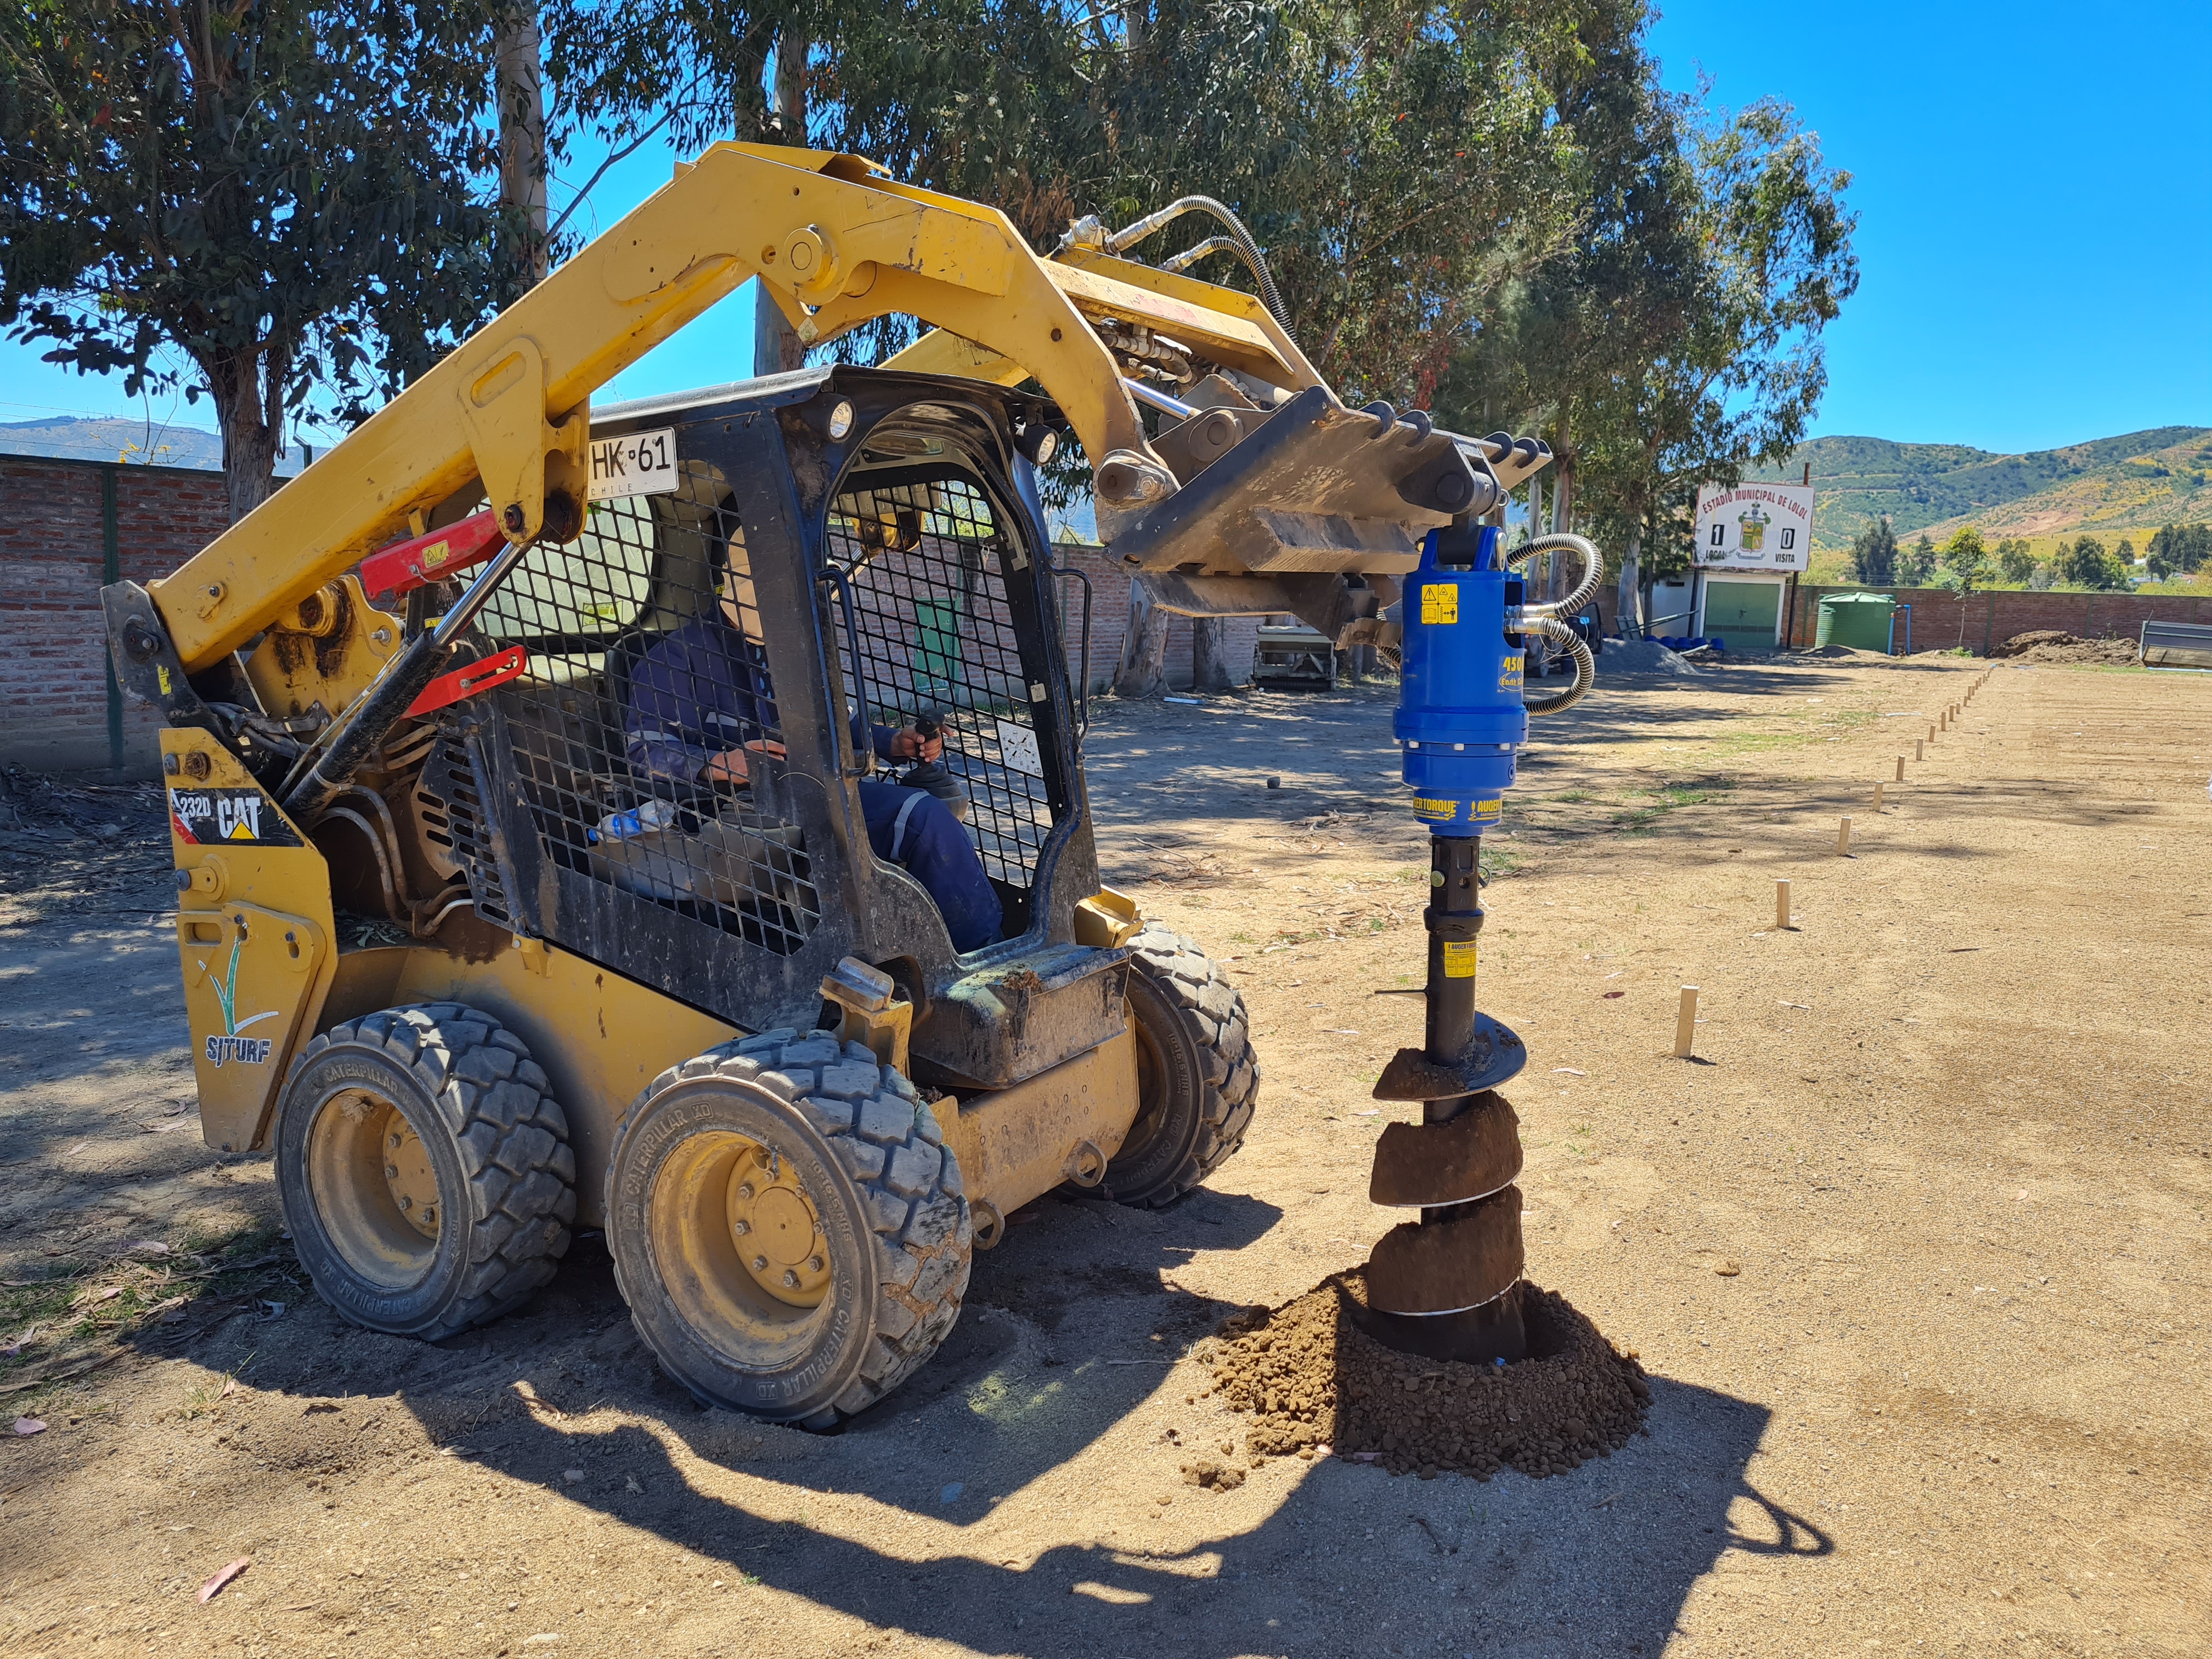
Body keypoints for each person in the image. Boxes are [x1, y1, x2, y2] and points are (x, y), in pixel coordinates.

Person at [622, 554, 1003, 953]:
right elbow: (645, 752)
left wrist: (893, 743)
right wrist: (719, 764)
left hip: (811, 792)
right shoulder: (674, 659)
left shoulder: (790, 649)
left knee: (931, 809)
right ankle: (986, 954)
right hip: (737, 809)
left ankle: (943, 946)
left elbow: (839, 723)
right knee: (920, 819)